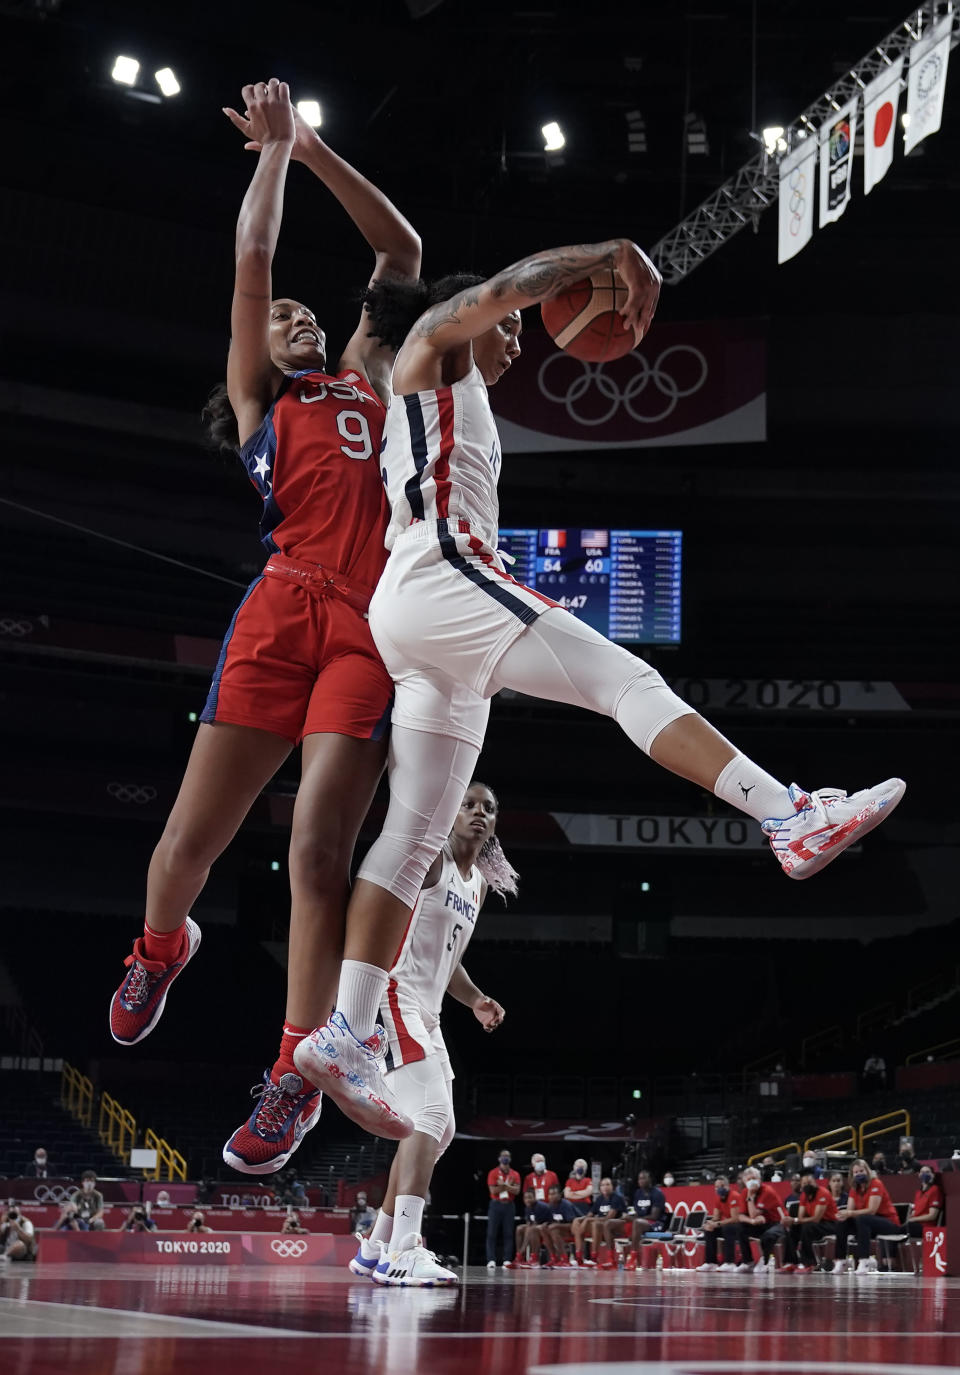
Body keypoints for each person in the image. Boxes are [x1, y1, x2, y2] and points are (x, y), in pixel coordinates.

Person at [292, 236, 905, 1135]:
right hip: (443, 577)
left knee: (413, 838)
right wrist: (602, 256)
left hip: (417, 616)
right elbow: (508, 288)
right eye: (512, 331)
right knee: (629, 680)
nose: (523, 340)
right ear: (476, 318)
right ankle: (788, 814)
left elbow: (492, 304)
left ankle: (345, 1031)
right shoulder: (434, 343)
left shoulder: (443, 389)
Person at [106, 77, 422, 1175]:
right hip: (280, 613)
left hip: (371, 628)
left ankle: (295, 1074)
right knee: (187, 847)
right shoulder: (260, 400)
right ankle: (160, 948)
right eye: (279, 315)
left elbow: (405, 250)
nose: (291, 314)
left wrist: (320, 146)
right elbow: (253, 259)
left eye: (303, 311)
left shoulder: (375, 375)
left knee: (318, 853)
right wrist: (274, 157)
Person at [348, 782, 510, 1288]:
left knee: (437, 1131)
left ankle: (375, 1247)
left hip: (431, 1012)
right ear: (451, 812)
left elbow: (449, 961)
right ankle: (405, 1249)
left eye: (489, 807)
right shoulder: (431, 861)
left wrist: (477, 999)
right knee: (430, 1116)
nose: (479, 813)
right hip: (393, 996)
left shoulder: (478, 884)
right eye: (469, 805)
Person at [833, 1157, 902, 1274]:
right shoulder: (855, 1188)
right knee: (843, 1222)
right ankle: (841, 1260)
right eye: (856, 1172)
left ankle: (864, 1260)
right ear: (852, 1175)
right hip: (867, 1224)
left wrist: (850, 1213)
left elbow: (872, 1210)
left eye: (861, 1171)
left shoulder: (876, 1183)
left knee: (862, 1219)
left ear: (867, 1171)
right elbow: (850, 1210)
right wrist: (844, 1214)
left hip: (888, 1223)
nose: (859, 1174)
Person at [780, 1166, 838, 1272]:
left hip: (830, 1224)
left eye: (809, 1182)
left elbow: (816, 1218)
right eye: (804, 1184)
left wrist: (795, 1220)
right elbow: (801, 1217)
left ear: (815, 1183)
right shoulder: (804, 1196)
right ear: (801, 1186)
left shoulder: (823, 1193)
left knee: (807, 1227)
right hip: (815, 1224)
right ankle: (791, 1261)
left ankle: (808, 1263)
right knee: (792, 1228)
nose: (807, 1185)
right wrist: (793, 1221)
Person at [573, 1177, 628, 1268]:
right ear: (599, 1188)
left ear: (612, 1187)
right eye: (602, 1185)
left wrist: (588, 1220)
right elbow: (590, 1214)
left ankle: (594, 1258)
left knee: (595, 1224)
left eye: (607, 1184)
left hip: (613, 1228)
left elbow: (609, 1218)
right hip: (601, 1226)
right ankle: (579, 1258)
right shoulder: (599, 1199)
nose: (605, 1187)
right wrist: (582, 1220)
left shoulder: (617, 1198)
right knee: (577, 1221)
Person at [697, 1174, 746, 1271]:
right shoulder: (718, 1198)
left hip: (741, 1225)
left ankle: (729, 1262)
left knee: (728, 1228)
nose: (719, 1188)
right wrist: (709, 1224)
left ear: (728, 1186)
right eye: (717, 1187)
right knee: (710, 1230)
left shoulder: (734, 1196)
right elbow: (716, 1217)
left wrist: (718, 1224)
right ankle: (711, 1262)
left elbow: (735, 1218)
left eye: (722, 1186)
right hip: (727, 1224)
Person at [485, 1148, 521, 1270]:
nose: (505, 1158)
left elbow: (516, 1191)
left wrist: (503, 1185)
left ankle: (506, 1259)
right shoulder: (493, 1173)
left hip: (509, 1205)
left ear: (510, 1159)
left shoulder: (515, 1174)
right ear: (499, 1158)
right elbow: (493, 1190)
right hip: (496, 1205)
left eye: (507, 1156)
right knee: (491, 1233)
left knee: (508, 1233)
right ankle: (491, 1259)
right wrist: (508, 1186)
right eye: (503, 1156)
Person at [623, 1170, 668, 1265]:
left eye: (644, 1178)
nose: (641, 1180)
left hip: (656, 1223)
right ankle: (610, 1259)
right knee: (617, 1221)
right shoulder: (638, 1193)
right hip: (640, 1222)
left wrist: (635, 1219)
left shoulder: (657, 1193)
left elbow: (654, 1216)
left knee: (637, 1222)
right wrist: (630, 1217)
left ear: (650, 1179)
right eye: (639, 1178)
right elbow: (636, 1212)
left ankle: (633, 1258)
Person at [506, 1189, 554, 1269]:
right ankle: (520, 1257)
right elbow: (529, 1222)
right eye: (525, 1198)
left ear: (535, 1197)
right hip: (536, 1227)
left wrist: (529, 1227)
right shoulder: (528, 1207)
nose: (527, 1200)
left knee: (531, 1229)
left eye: (530, 1197)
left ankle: (532, 1258)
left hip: (547, 1228)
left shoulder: (540, 1206)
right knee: (519, 1228)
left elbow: (537, 1223)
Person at [543, 1183, 578, 1266]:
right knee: (543, 1228)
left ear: (559, 1195)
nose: (551, 1196)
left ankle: (564, 1258)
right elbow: (550, 1222)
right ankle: (553, 1257)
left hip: (575, 1230)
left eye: (554, 1194)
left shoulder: (566, 1205)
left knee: (554, 1230)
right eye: (550, 1194)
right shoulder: (549, 1206)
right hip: (560, 1229)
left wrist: (556, 1225)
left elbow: (573, 1224)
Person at [906, 1167, 943, 1237]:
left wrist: (913, 1219)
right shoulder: (918, 1193)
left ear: (933, 1175)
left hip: (926, 1227)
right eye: (922, 1172)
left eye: (927, 1172)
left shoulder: (935, 1190)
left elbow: (932, 1216)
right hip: (914, 1225)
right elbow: (914, 1212)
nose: (924, 1174)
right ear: (919, 1175)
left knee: (904, 1229)